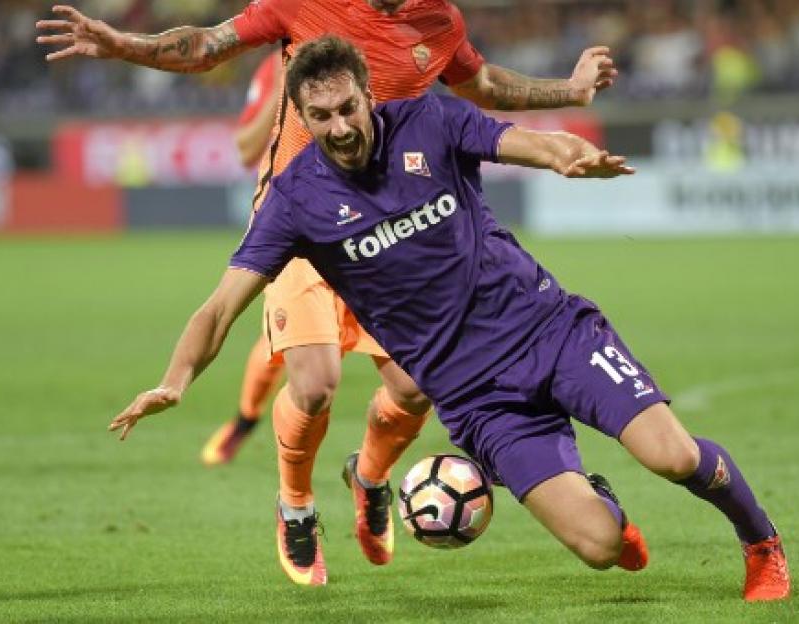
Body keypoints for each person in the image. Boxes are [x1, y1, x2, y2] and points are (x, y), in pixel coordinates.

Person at [108, 36, 791, 601]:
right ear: (302, 121)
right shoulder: (295, 200)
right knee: (601, 546)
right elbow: (219, 306)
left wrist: (569, 156)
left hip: (550, 332)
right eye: (322, 118)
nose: (341, 126)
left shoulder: (430, 123)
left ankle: (761, 543)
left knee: (671, 456)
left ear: (368, 94)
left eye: (349, 107)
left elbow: (526, 139)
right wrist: (175, 380)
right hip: (476, 398)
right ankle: (599, 500)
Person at [37, 0, 620, 586]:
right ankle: (295, 504)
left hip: (395, 224)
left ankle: (368, 479)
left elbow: (485, 83)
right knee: (315, 385)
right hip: (305, 224)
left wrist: (570, 89)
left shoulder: (438, 21)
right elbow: (208, 44)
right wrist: (123, 47)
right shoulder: (302, 4)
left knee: (416, 387)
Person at [200, 52, 287, 466]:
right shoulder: (276, 66)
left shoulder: (377, 46)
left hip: (380, 225)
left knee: (408, 369)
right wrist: (285, 84)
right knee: (282, 344)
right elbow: (247, 147)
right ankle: (245, 422)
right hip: (305, 221)